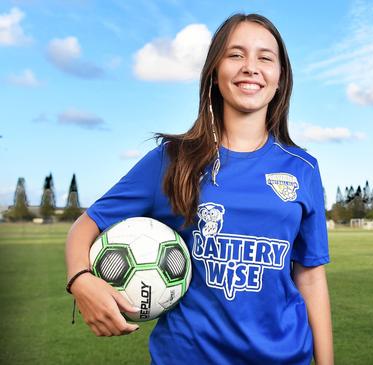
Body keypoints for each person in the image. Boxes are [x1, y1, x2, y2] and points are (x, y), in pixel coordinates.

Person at [65, 13, 334, 365]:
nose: (250, 67)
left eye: (265, 57)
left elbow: (310, 276)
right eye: (235, 54)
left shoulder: (302, 168)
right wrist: (81, 280)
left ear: (281, 78)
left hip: (284, 357)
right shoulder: (173, 159)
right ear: (214, 72)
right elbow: (85, 225)